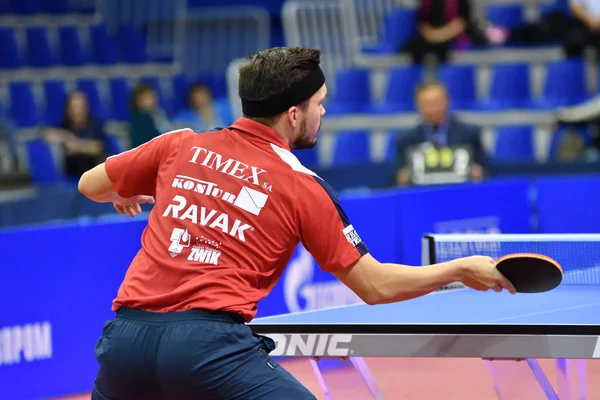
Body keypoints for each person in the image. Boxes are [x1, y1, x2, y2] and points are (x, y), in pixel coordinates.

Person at [78, 46, 515, 400]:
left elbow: (89, 185)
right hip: (205, 347)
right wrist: (459, 269)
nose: (322, 113)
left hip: (126, 343)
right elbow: (375, 285)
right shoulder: (302, 184)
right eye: (318, 104)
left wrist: (131, 190)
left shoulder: (180, 144)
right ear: (292, 114)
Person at [395, 81, 488, 186]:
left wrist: (478, 173)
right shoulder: (406, 139)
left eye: (436, 102)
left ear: (447, 101)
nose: (433, 109)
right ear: (417, 106)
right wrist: (402, 177)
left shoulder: (469, 133)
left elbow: (488, 172)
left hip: (460, 194)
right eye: (427, 104)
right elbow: (393, 179)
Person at [42, 90, 107, 178]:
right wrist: (67, 136)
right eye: (74, 107)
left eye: (81, 106)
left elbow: (98, 148)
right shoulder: (64, 126)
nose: (78, 111)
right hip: (72, 175)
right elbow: (46, 134)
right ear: (68, 109)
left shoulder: (96, 126)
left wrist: (75, 145)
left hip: (94, 173)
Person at [128, 83, 172, 149]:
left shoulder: (158, 113)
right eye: (147, 98)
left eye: (153, 97)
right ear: (138, 102)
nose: (152, 100)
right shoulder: (140, 119)